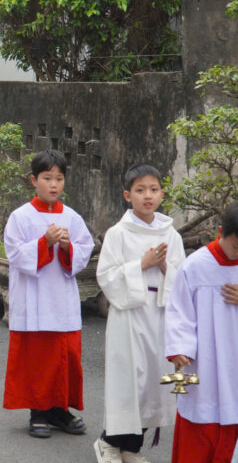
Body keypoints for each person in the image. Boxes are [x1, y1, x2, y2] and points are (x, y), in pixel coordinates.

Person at [93, 165, 186, 463]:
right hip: (129, 315)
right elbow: (106, 275)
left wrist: (164, 269)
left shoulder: (171, 235)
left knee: (152, 385)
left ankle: (132, 448)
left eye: (154, 189)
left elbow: (183, 278)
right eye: (140, 190)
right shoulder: (118, 234)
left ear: (162, 193)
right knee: (127, 382)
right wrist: (141, 265)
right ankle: (108, 442)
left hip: (159, 314)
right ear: (127, 195)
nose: (148, 196)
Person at [2, 149, 95, 438]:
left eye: (59, 178)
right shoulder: (21, 217)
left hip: (62, 298)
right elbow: (16, 255)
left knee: (64, 355)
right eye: (47, 178)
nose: (53, 184)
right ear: (34, 180)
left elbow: (85, 250)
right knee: (38, 357)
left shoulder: (72, 217)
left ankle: (59, 410)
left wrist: (68, 247)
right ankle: (38, 412)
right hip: (34, 298)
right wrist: (45, 242)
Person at [165, 202, 238, 463]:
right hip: (203, 364)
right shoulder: (195, 266)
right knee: (199, 425)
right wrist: (179, 348)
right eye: (236, 246)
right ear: (220, 232)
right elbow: (178, 312)